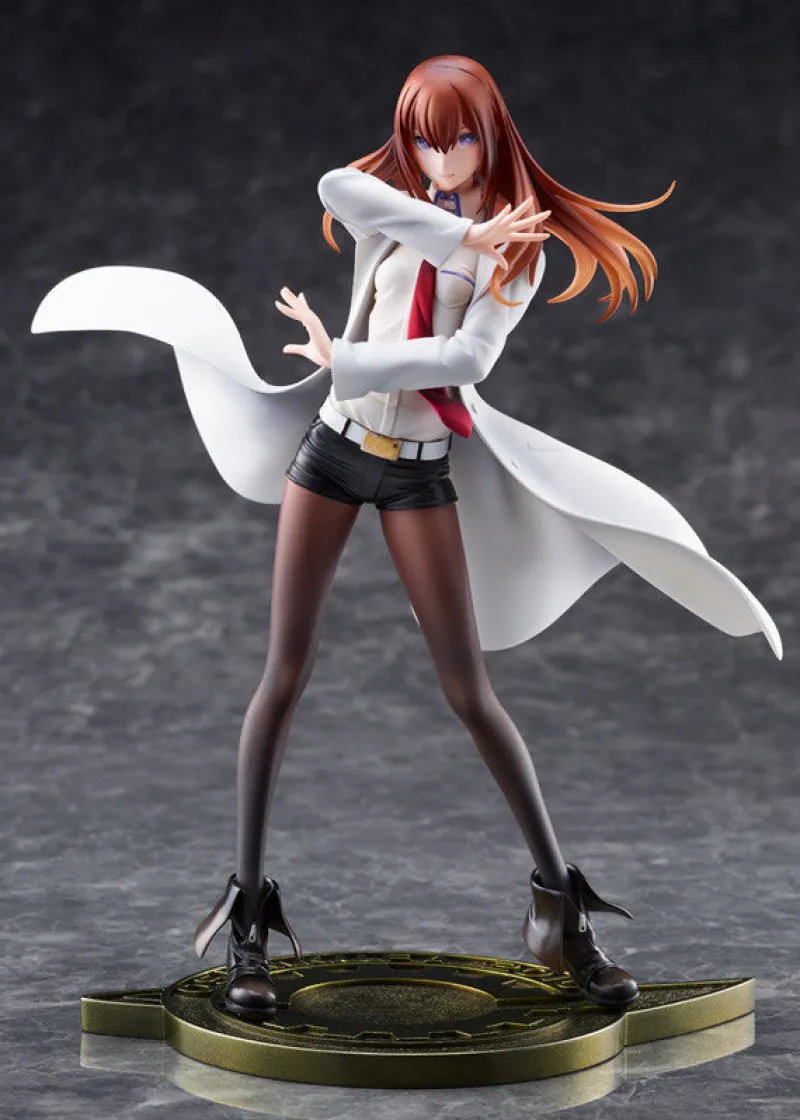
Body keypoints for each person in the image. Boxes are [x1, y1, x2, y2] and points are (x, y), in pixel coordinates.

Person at [31, 55, 781, 1021]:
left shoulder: (520, 251)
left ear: (491, 134)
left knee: (468, 690)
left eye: (458, 138)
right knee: (283, 674)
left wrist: (354, 354)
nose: (441, 157)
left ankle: (561, 914)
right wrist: (458, 231)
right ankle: (249, 920)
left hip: (419, 469)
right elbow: (334, 187)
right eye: (425, 140)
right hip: (331, 453)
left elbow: (468, 357)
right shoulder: (405, 211)